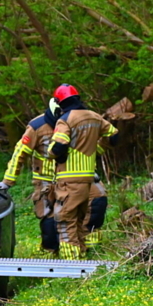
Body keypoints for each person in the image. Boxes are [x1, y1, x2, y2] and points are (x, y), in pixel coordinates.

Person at [49, 84, 118, 259]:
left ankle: (71, 264)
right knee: (80, 219)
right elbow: (114, 136)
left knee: (66, 220)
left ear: (59, 103)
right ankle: (82, 254)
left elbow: (58, 146)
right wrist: (97, 150)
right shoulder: (94, 117)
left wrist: (51, 154)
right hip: (89, 179)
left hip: (69, 179)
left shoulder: (65, 120)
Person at [0, 101, 60, 251]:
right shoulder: (37, 126)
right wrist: (8, 181)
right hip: (45, 182)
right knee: (49, 220)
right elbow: (20, 152)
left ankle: (72, 251)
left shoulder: (73, 120)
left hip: (69, 179)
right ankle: (50, 251)